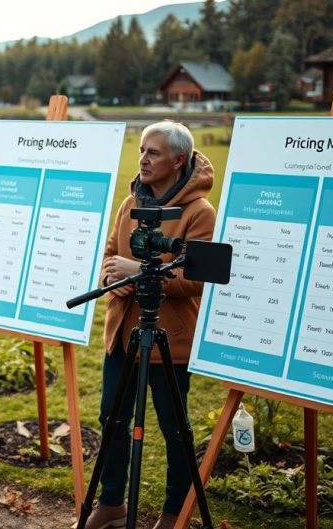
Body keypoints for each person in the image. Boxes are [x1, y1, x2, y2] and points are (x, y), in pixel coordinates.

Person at [86, 121, 216, 529]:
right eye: (142, 149)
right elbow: (110, 253)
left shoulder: (199, 213)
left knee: (174, 429)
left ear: (179, 160)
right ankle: (110, 504)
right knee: (112, 419)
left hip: (169, 341)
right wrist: (112, 279)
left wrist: (139, 272)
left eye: (153, 152)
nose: (142, 158)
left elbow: (196, 279)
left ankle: (174, 514)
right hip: (122, 335)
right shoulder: (131, 203)